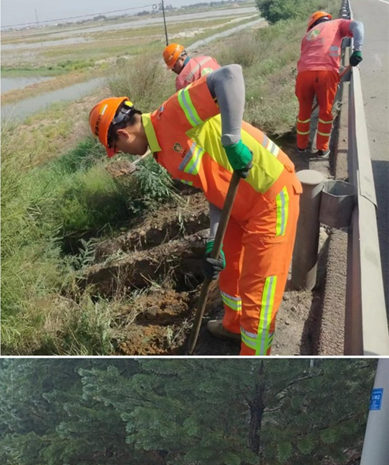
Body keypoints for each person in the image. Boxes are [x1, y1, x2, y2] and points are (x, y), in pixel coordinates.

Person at [89, 65, 301, 355]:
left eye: (117, 149)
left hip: (270, 195)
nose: (122, 154)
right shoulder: (162, 151)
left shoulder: (174, 113)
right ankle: (232, 326)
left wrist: (232, 139)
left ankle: (253, 360)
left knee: (258, 296)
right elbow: (213, 187)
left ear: (123, 135)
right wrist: (215, 238)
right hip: (237, 204)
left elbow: (230, 76)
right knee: (228, 271)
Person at [295, 11, 365, 157]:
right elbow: (358, 25)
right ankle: (322, 149)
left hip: (303, 74)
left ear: (312, 24)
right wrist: (357, 50)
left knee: (304, 112)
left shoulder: (307, 36)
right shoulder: (337, 23)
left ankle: (301, 146)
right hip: (326, 73)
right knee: (325, 112)